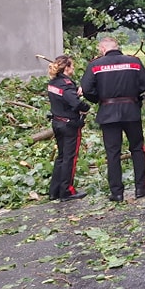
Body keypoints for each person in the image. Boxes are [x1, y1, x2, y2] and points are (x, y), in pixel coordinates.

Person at [80, 37, 145, 203]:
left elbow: (86, 89)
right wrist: (133, 94)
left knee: (113, 153)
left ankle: (117, 192)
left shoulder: (95, 65)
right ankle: (140, 188)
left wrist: (99, 99)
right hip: (131, 110)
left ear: (103, 49)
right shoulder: (134, 62)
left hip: (108, 112)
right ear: (117, 47)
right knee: (137, 149)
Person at [47, 54, 91, 201]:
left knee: (61, 156)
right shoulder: (66, 85)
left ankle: (54, 191)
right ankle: (67, 190)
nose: (73, 68)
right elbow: (75, 103)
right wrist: (86, 107)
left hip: (57, 122)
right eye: (72, 66)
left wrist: (75, 91)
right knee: (69, 158)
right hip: (69, 125)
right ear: (66, 68)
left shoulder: (53, 83)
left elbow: (64, 97)